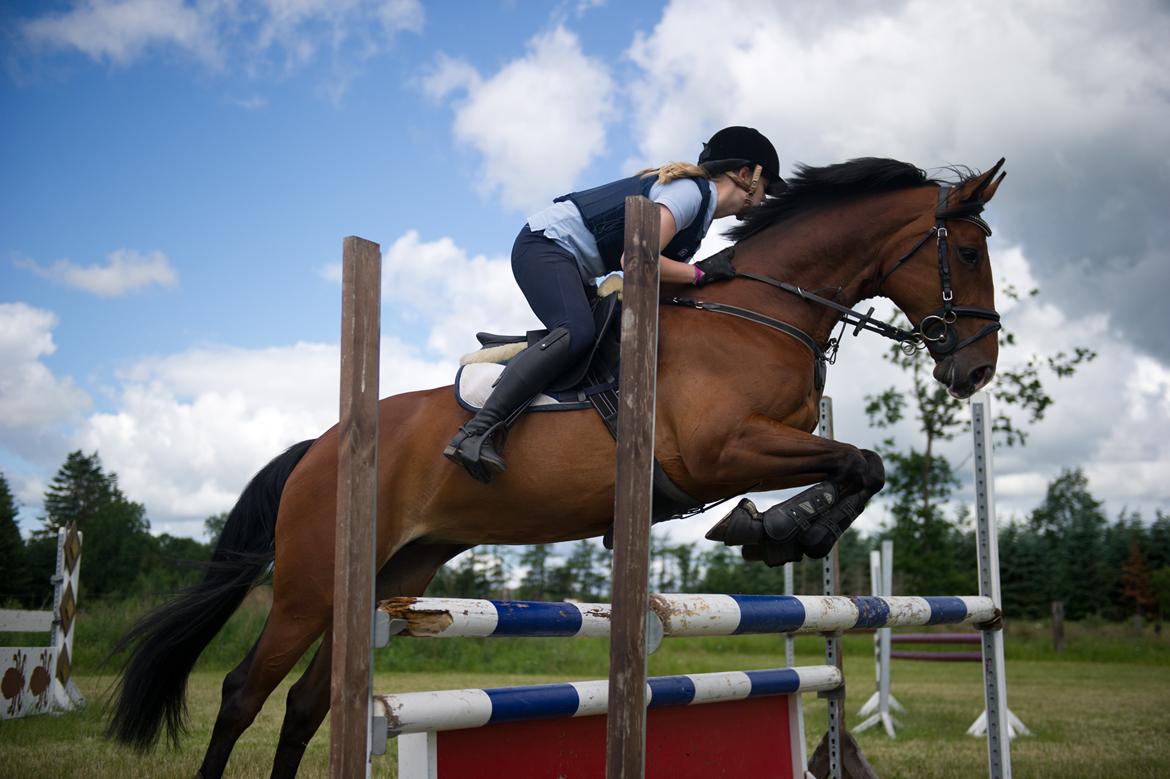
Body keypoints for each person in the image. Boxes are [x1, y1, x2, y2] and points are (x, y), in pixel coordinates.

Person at [444, 125, 785, 483]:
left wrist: (697, 276)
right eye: (767, 187)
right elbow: (637, 256)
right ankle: (476, 432)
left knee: (606, 343)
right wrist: (699, 274)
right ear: (746, 175)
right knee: (577, 332)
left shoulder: (698, 217)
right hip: (544, 246)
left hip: (574, 263)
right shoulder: (690, 193)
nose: (765, 198)